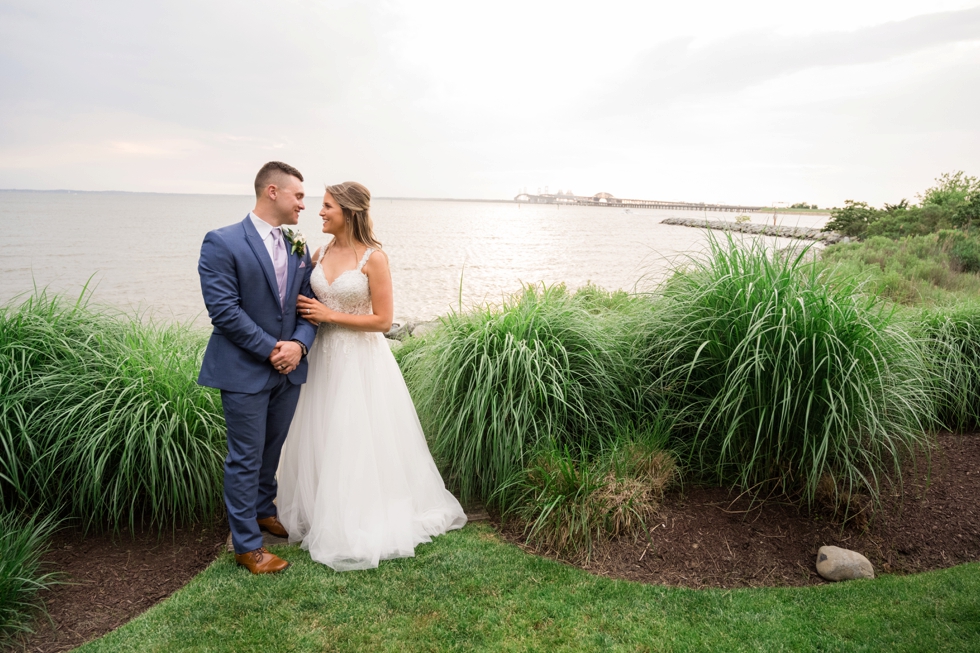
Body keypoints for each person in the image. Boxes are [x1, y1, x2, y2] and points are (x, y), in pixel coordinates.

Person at [277, 181, 467, 571]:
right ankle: (321, 510)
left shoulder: (373, 259)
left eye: (327, 206)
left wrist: (329, 315)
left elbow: (382, 320)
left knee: (356, 436)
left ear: (348, 211)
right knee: (321, 432)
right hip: (322, 359)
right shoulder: (319, 252)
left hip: (360, 361)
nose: (320, 212)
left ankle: (360, 516)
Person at [197, 161, 317, 574]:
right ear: (272, 191)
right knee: (245, 457)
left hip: (290, 369)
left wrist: (299, 345)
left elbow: (308, 303)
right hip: (245, 370)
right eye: (298, 195)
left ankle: (265, 510)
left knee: (272, 449)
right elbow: (224, 312)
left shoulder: (297, 243)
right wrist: (273, 350)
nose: (304, 203)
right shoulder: (222, 242)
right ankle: (248, 546)